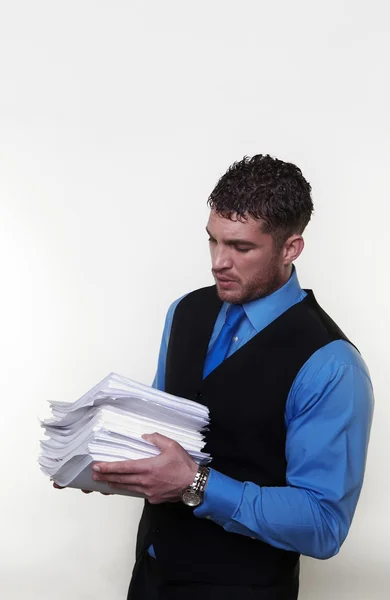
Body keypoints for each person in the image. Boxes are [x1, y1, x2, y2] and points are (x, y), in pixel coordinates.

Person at [91, 155, 374, 599]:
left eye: (241, 248)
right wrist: (109, 462)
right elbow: (164, 430)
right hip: (151, 573)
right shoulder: (185, 311)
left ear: (290, 248)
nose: (218, 262)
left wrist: (197, 485)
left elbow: (324, 523)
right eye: (212, 241)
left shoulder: (331, 364)